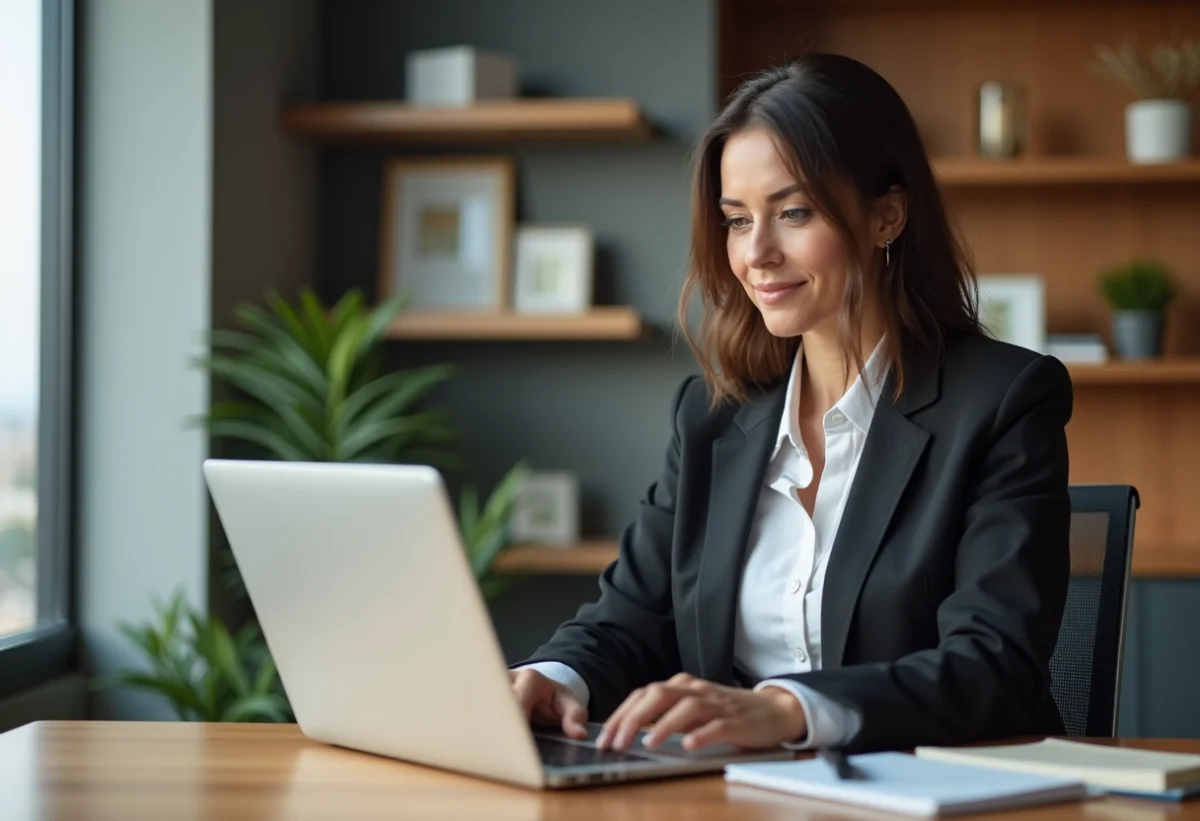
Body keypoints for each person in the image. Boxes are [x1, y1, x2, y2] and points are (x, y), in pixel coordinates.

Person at [509, 53, 1072, 755]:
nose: (757, 253)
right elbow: (630, 617)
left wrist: (787, 708)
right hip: (733, 794)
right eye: (737, 220)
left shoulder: (1003, 401)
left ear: (887, 216)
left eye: (794, 212)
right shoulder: (713, 418)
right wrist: (557, 674)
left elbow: (995, 667)